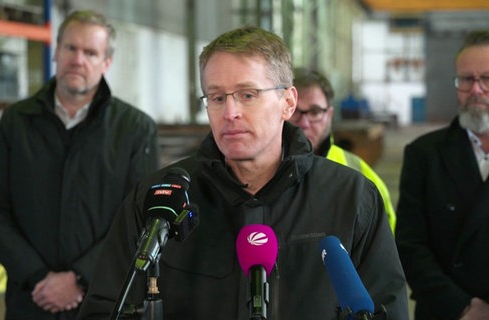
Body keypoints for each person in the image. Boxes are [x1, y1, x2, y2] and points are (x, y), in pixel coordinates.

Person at [77, 26, 409, 320]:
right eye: (217, 97)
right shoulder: (159, 200)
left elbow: (387, 308)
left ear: (288, 102)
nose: (230, 112)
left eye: (247, 95)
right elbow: (105, 307)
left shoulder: (351, 198)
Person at [0, 10, 160, 319]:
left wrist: (80, 278)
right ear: (56, 52)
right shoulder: (17, 123)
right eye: (71, 48)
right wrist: (36, 275)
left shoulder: (136, 130)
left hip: (105, 301)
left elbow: (140, 219)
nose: (78, 60)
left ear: (106, 62)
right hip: (31, 299)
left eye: (90, 52)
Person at [396, 30, 489, 320]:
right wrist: (464, 307)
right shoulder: (424, 155)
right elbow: (411, 245)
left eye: (486, 78)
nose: (476, 90)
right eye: (466, 79)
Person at [288, 68, 396, 233]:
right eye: (294, 110)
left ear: (330, 115)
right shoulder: (258, 171)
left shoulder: (358, 172)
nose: (304, 122)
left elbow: (387, 239)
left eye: (315, 112)